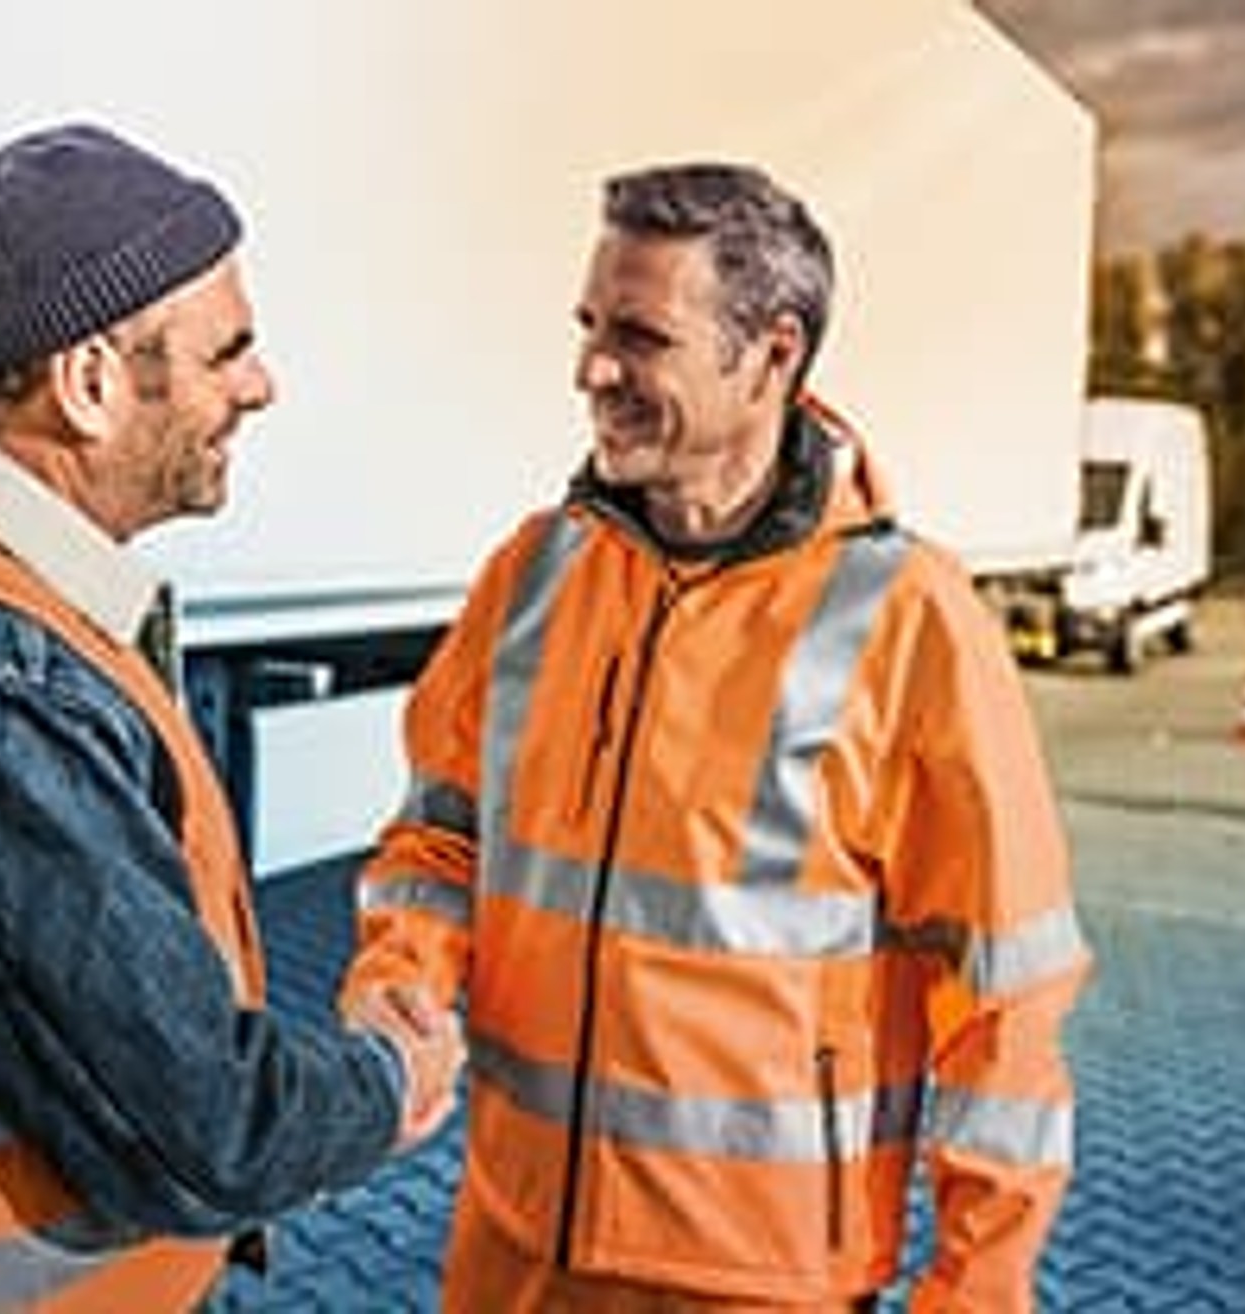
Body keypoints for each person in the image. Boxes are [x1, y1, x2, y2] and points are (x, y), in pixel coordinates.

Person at [0, 121, 463, 1311]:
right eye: (229, 351)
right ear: (90, 383)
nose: (260, 387)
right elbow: (213, 1133)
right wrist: (394, 1074)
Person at [343, 162, 1091, 1311]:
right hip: (513, 1248)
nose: (592, 370)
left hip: (757, 1279)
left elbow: (1004, 1000)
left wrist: (975, 1289)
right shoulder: (533, 574)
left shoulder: (912, 621)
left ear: (775, 354)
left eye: (641, 337)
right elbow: (440, 841)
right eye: (591, 325)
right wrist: (402, 974)